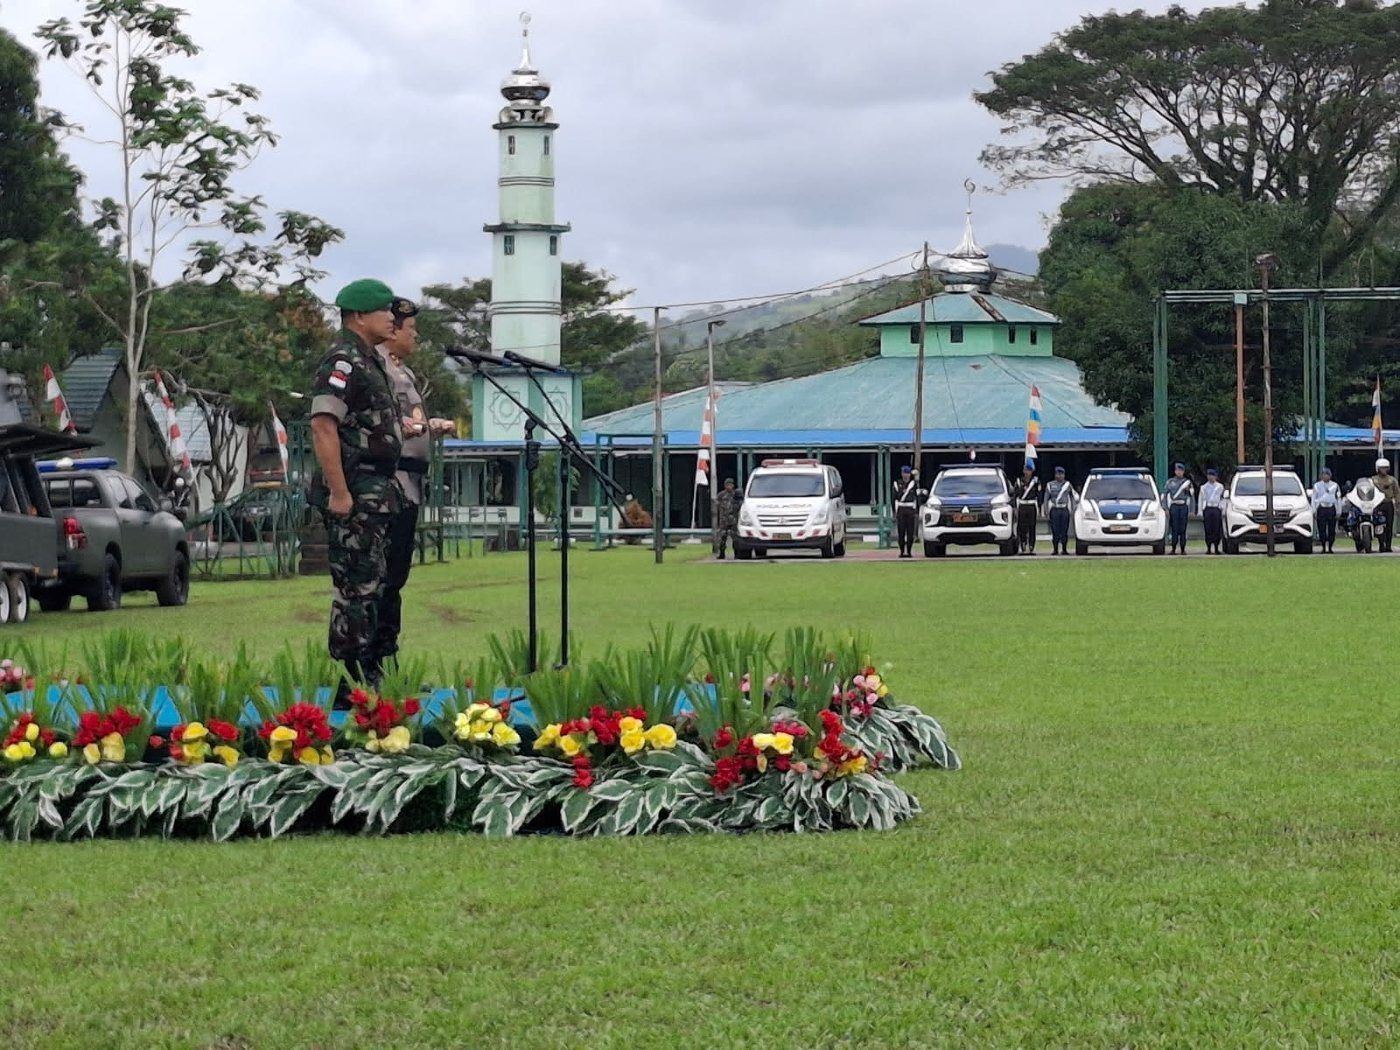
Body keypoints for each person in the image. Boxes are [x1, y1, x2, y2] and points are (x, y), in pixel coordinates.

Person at [309, 278, 403, 695]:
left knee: (376, 582)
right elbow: (322, 426)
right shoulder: (343, 360)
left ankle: (372, 670)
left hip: (376, 489)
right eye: (386, 310)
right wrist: (340, 492)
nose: (393, 318)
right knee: (356, 586)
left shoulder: (370, 359)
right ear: (359, 315)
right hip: (356, 487)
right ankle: (353, 682)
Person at [373, 297, 455, 666]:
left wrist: (427, 429)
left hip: (410, 482)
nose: (415, 336)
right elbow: (386, 425)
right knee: (382, 580)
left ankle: (388, 657)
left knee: (395, 579)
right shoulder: (379, 370)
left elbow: (407, 424)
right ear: (392, 331)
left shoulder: (401, 371)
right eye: (411, 329)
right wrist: (420, 427)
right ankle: (370, 664)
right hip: (390, 484)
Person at [1043, 465, 1076, 556]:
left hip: (1064, 509)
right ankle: (1055, 549)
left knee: (1064, 530)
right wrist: (1045, 509)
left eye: (1061, 474)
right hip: (1055, 509)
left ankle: (1064, 549)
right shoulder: (1050, 485)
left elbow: (1073, 497)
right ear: (1055, 474)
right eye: (1058, 474)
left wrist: (1073, 509)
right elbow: (1046, 497)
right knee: (1055, 530)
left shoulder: (1067, 485)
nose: (1060, 476)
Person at [1163, 462, 1194, 554]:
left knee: (1183, 529)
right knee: (1174, 528)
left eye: (1181, 470)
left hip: (1183, 506)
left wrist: (1192, 510)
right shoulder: (1170, 482)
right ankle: (1173, 548)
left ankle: (1183, 549)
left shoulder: (1187, 483)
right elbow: (1165, 495)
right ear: (1175, 471)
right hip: (1174, 506)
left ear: (1183, 471)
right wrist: (1165, 508)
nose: (1179, 472)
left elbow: (1191, 496)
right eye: (1177, 470)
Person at [1311, 466, 1341, 553]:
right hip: (1321, 508)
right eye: (1323, 474)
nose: (1325, 476)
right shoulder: (1317, 485)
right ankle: (1323, 547)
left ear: (1330, 476)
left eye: (1327, 474)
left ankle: (1330, 547)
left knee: (1332, 529)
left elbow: (1338, 498)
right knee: (1321, 529)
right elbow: (1314, 498)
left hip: (1331, 508)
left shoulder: (1335, 485)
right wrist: (1314, 510)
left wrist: (1339, 511)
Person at [1372, 457, 1399, 553]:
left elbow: (1397, 492)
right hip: (1378, 504)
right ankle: (1381, 545)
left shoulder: (1392, 480)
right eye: (1382, 468)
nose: (1384, 470)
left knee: (1389, 526)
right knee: (1379, 525)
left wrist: (1397, 505)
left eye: (1386, 468)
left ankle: (1388, 546)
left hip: (1388, 504)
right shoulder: (1373, 480)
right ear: (1377, 468)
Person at [893, 465, 920, 558]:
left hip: (910, 511)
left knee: (910, 533)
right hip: (901, 510)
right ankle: (901, 551)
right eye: (904, 473)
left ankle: (909, 551)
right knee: (901, 532)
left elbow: (917, 498)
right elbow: (895, 498)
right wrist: (894, 512)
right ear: (902, 474)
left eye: (907, 473)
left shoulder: (913, 484)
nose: (906, 475)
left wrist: (917, 511)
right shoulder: (897, 483)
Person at [1199, 467, 1226, 555]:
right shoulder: (1204, 487)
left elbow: (1222, 499)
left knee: (1217, 529)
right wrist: (1200, 511)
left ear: (1216, 477)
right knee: (1208, 529)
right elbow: (1201, 499)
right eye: (1209, 475)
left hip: (1216, 508)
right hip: (1208, 508)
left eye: (1212, 476)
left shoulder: (1220, 487)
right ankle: (1208, 548)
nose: (1211, 477)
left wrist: (1223, 509)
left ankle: (1217, 547)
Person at [1014, 463, 1040, 555]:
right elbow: (1015, 495)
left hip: (1031, 506)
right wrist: (1015, 508)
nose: (1027, 472)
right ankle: (1023, 544)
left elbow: (1038, 495)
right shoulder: (1018, 481)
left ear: (1032, 471)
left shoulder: (1035, 482)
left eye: (1029, 470)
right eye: (1025, 470)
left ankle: (1031, 546)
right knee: (1022, 527)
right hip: (1022, 506)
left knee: (1032, 526)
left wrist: (1040, 507)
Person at [714, 478, 741, 559]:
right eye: (727, 485)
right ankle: (722, 553)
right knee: (722, 537)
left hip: (733, 520)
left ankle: (737, 554)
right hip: (723, 520)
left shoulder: (735, 495)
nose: (729, 486)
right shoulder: (721, 495)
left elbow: (740, 504)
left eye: (730, 485)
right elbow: (716, 503)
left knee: (735, 538)